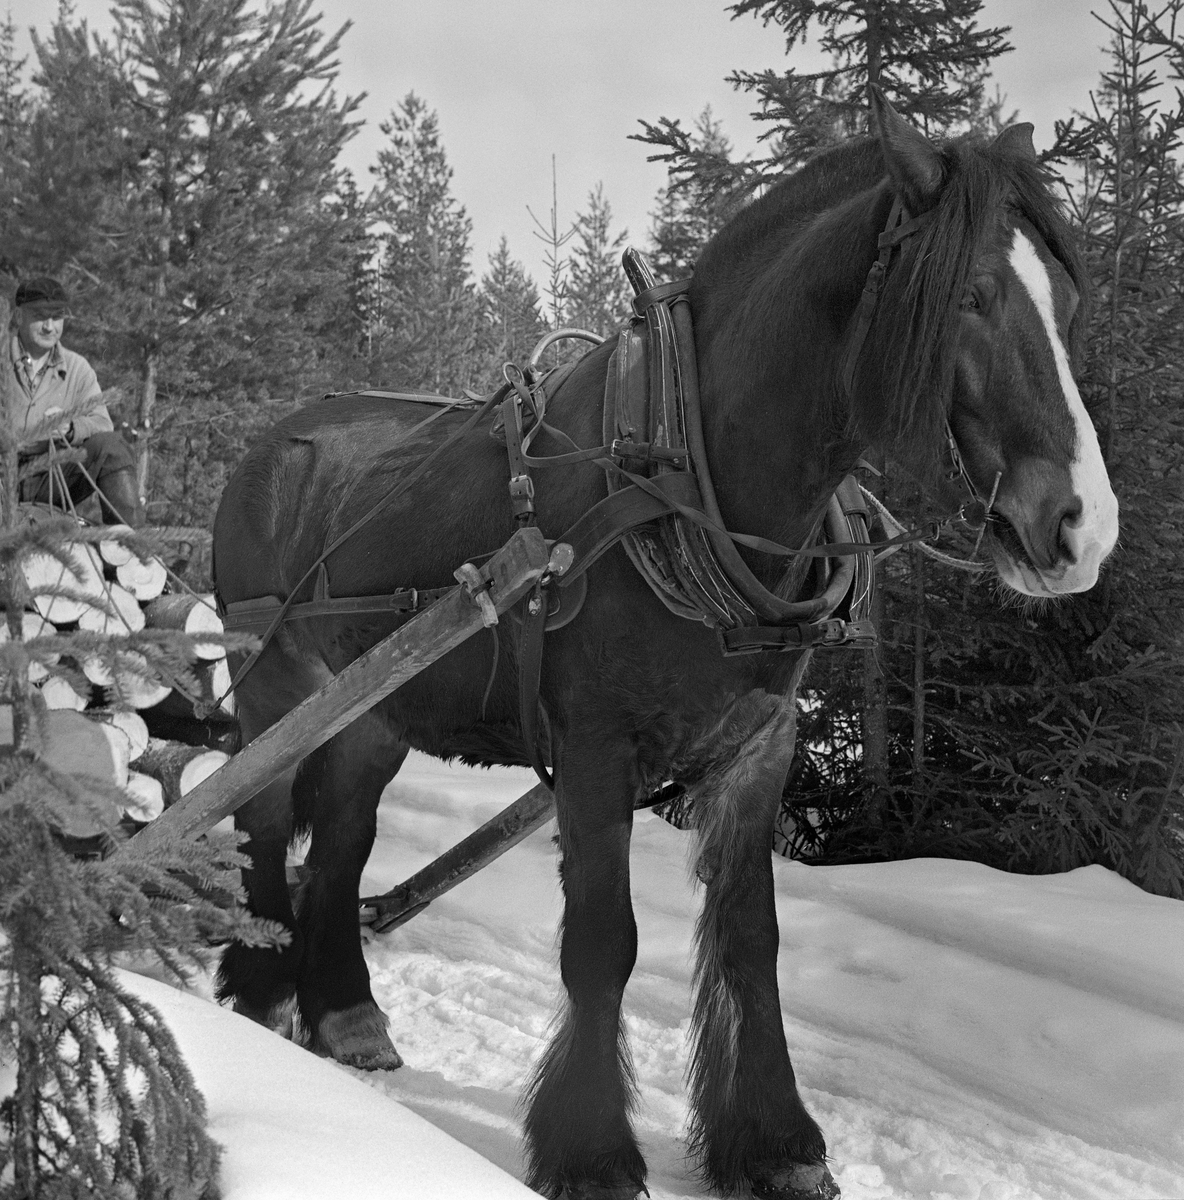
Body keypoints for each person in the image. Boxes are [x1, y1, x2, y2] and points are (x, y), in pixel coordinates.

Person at [10, 276, 142, 526]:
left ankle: (129, 550)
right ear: (19, 316)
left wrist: (71, 429)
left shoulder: (77, 368)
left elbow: (102, 424)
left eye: (57, 317)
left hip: (53, 477)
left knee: (112, 447)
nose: (50, 326)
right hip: (4, 475)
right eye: (40, 316)